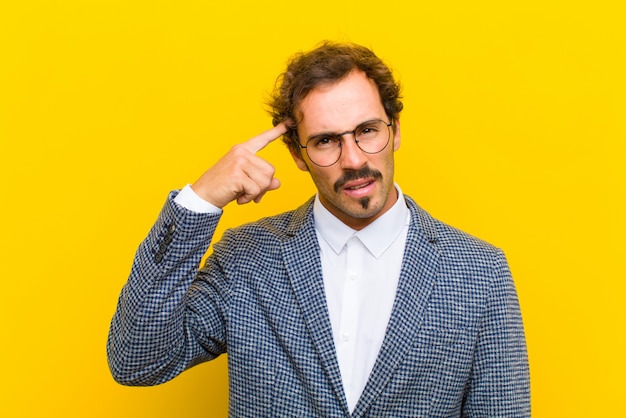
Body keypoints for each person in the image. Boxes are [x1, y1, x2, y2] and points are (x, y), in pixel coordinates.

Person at [107, 41, 530, 417]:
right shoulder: (246, 258)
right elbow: (137, 361)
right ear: (297, 152)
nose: (353, 160)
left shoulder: (480, 272)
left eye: (367, 131)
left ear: (396, 130)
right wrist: (199, 202)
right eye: (327, 140)